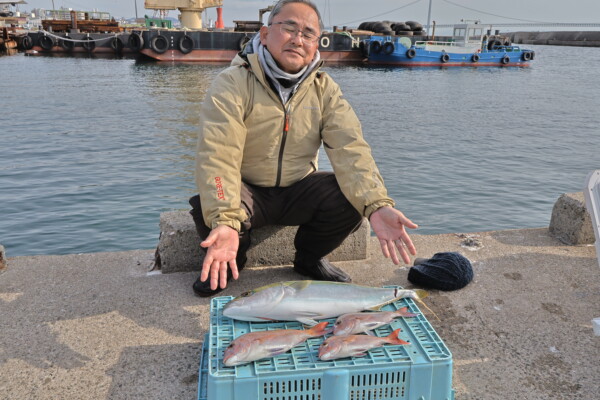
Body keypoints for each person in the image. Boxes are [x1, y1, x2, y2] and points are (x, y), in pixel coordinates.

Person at [189, 0, 418, 297]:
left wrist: (376, 204)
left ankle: (309, 259)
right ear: (265, 33)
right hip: (246, 190)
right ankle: (235, 256)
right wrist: (224, 219)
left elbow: (351, 149)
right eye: (289, 28)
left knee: (349, 196)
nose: (298, 39)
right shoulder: (232, 83)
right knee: (209, 205)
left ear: (316, 44)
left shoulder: (325, 88)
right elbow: (218, 155)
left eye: (308, 34)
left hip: (298, 188)